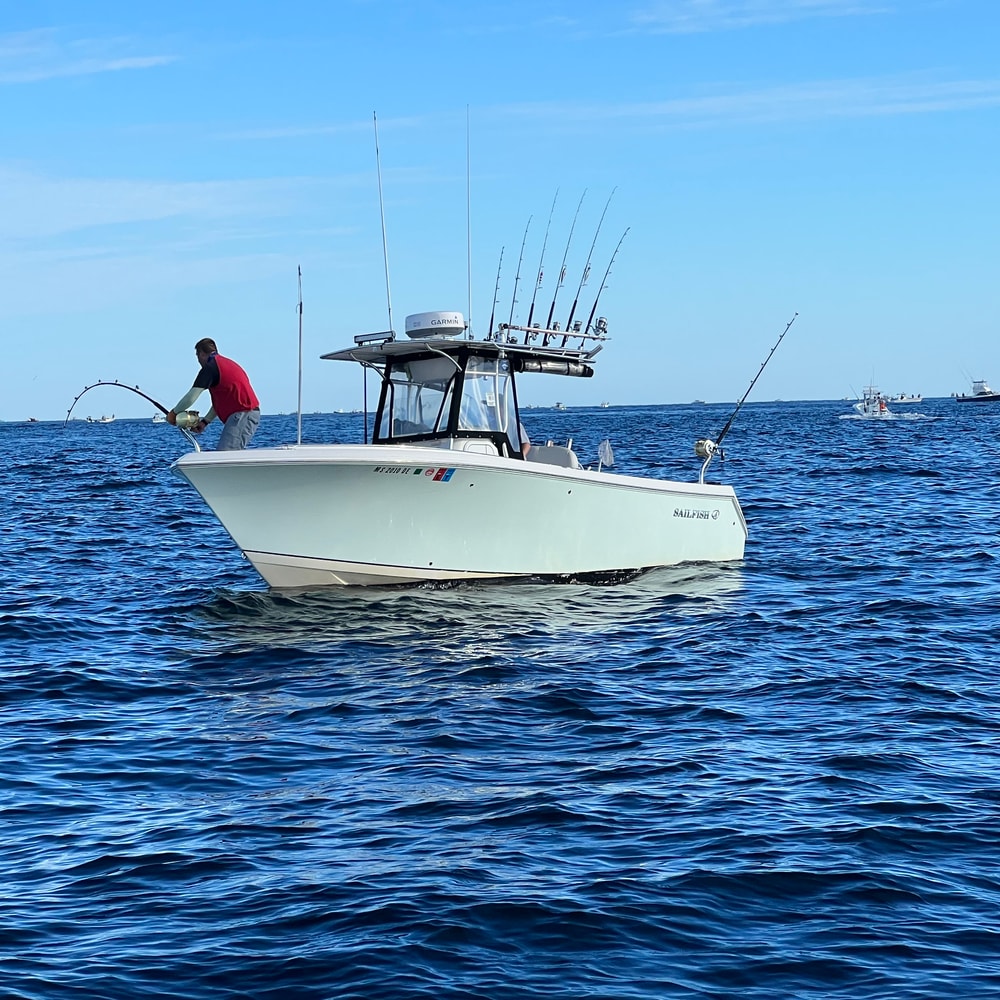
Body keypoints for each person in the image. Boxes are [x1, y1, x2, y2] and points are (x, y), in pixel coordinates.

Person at [167, 338, 260, 450]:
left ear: (201, 354)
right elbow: (221, 402)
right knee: (227, 454)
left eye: (197, 356)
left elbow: (191, 397)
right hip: (245, 414)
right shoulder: (225, 364)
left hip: (243, 415)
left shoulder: (210, 368)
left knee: (225, 455)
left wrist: (173, 413)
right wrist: (205, 422)